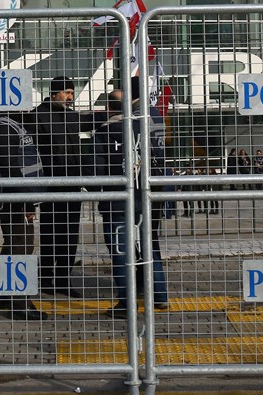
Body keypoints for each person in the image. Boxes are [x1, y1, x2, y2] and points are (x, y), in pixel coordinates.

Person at [94, 84, 168, 318]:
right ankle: (160, 295)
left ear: (109, 109)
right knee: (149, 246)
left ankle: (127, 303)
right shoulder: (149, 123)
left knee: (121, 251)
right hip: (148, 196)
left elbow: (93, 169)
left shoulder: (106, 132)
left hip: (117, 199)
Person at [32, 76, 109, 298]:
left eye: (72, 93)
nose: (70, 97)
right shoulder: (37, 116)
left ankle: (64, 279)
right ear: (53, 93)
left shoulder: (71, 116)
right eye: (66, 92)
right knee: (50, 234)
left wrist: (116, 110)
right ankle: (47, 279)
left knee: (69, 234)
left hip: (73, 185)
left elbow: (92, 120)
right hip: (50, 185)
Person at [0, 111, 48, 321]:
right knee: (22, 247)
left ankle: (4, 294)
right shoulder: (4, 126)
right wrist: (25, 199)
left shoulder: (8, 124)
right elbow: (9, 165)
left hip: (14, 196)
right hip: (13, 198)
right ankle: (20, 303)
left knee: (13, 245)